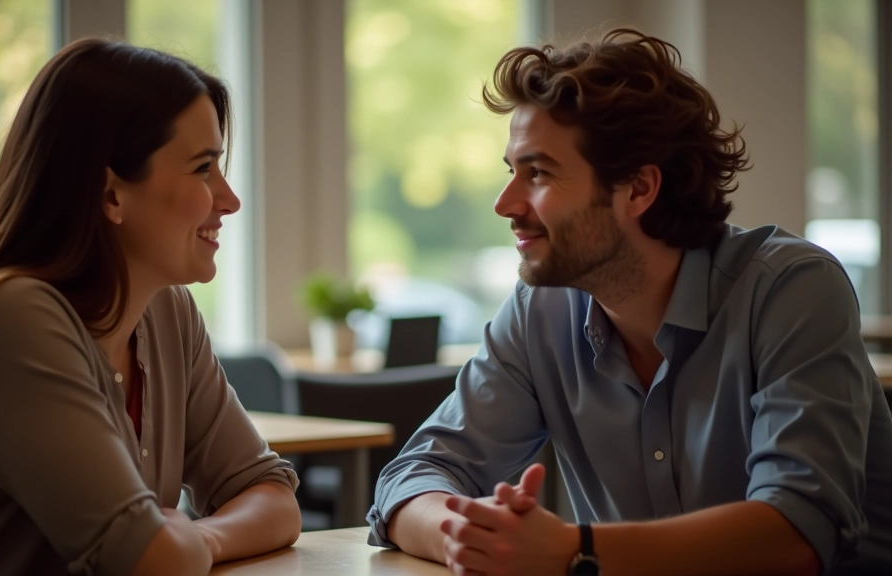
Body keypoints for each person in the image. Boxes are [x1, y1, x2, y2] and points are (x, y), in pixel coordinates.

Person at [367, 28, 892, 576]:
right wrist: (468, 538)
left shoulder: (790, 288)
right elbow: (414, 475)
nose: (505, 203)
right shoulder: (538, 313)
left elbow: (795, 535)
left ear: (639, 189)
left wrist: (573, 551)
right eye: (510, 171)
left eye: (539, 173)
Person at [0, 38, 301, 576]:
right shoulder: (8, 317)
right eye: (202, 168)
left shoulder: (169, 312)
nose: (229, 199)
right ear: (111, 195)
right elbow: (147, 560)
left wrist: (201, 539)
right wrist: (175, 544)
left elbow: (272, 498)